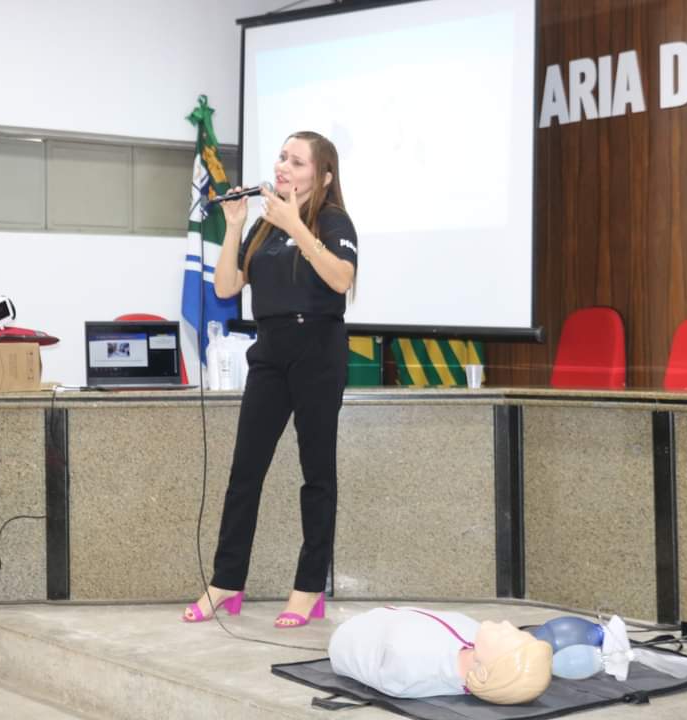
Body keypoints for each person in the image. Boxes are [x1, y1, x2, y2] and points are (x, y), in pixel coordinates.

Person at [182, 131, 358, 628]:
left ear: (321, 175)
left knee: (316, 475)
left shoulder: (333, 220)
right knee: (245, 473)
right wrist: (236, 226)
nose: (282, 166)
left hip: (318, 352)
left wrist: (296, 225)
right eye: (281, 156)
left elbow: (341, 279)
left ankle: (307, 589)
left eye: (296, 161)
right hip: (270, 352)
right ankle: (226, 582)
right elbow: (226, 286)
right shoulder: (265, 222)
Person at [328, 607, 553, 704]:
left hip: (349, 633)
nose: (507, 623)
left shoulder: (410, 665)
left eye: (508, 635)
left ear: (484, 671)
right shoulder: (471, 631)